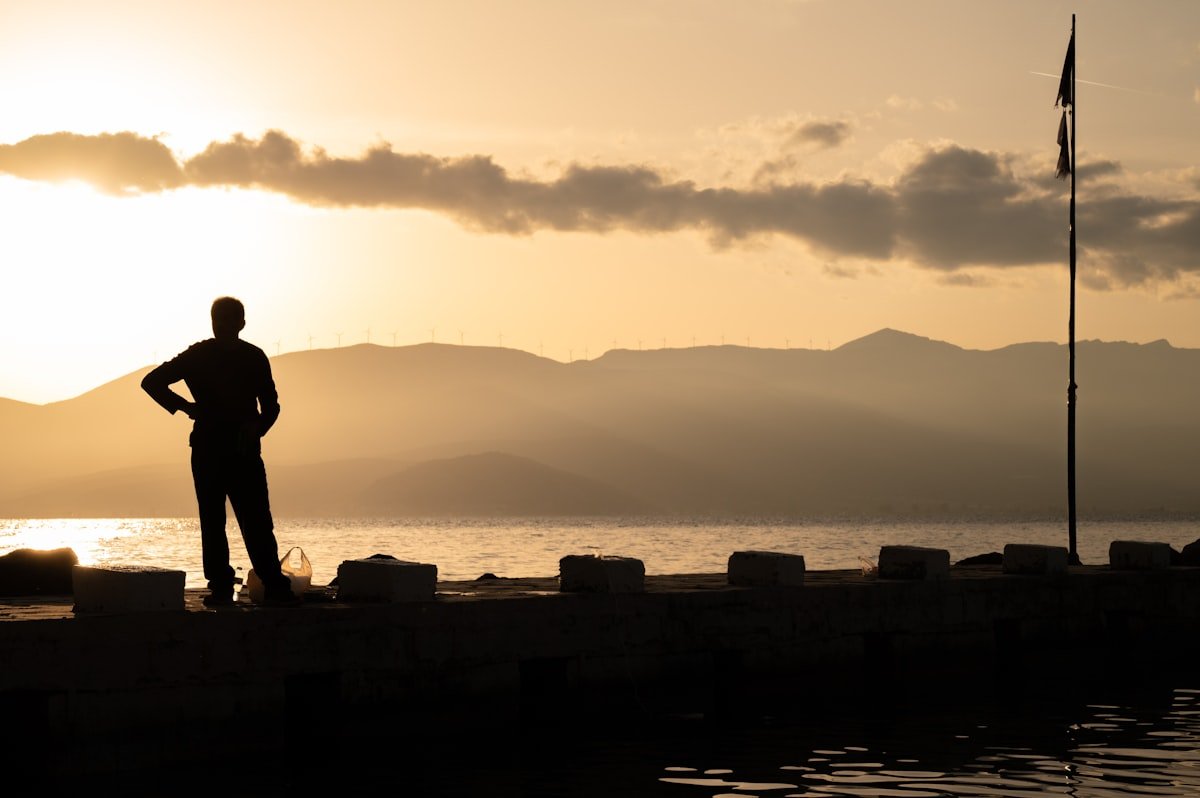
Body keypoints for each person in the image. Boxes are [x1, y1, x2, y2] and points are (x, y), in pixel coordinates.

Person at [141, 297, 297, 607]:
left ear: (241, 323)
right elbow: (151, 382)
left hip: (241, 449)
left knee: (254, 519)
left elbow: (271, 406)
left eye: (228, 320)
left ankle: (269, 585)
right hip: (210, 448)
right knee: (216, 520)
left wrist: (258, 427)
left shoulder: (252, 357)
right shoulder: (202, 354)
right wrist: (186, 407)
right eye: (218, 320)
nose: (223, 326)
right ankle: (225, 587)